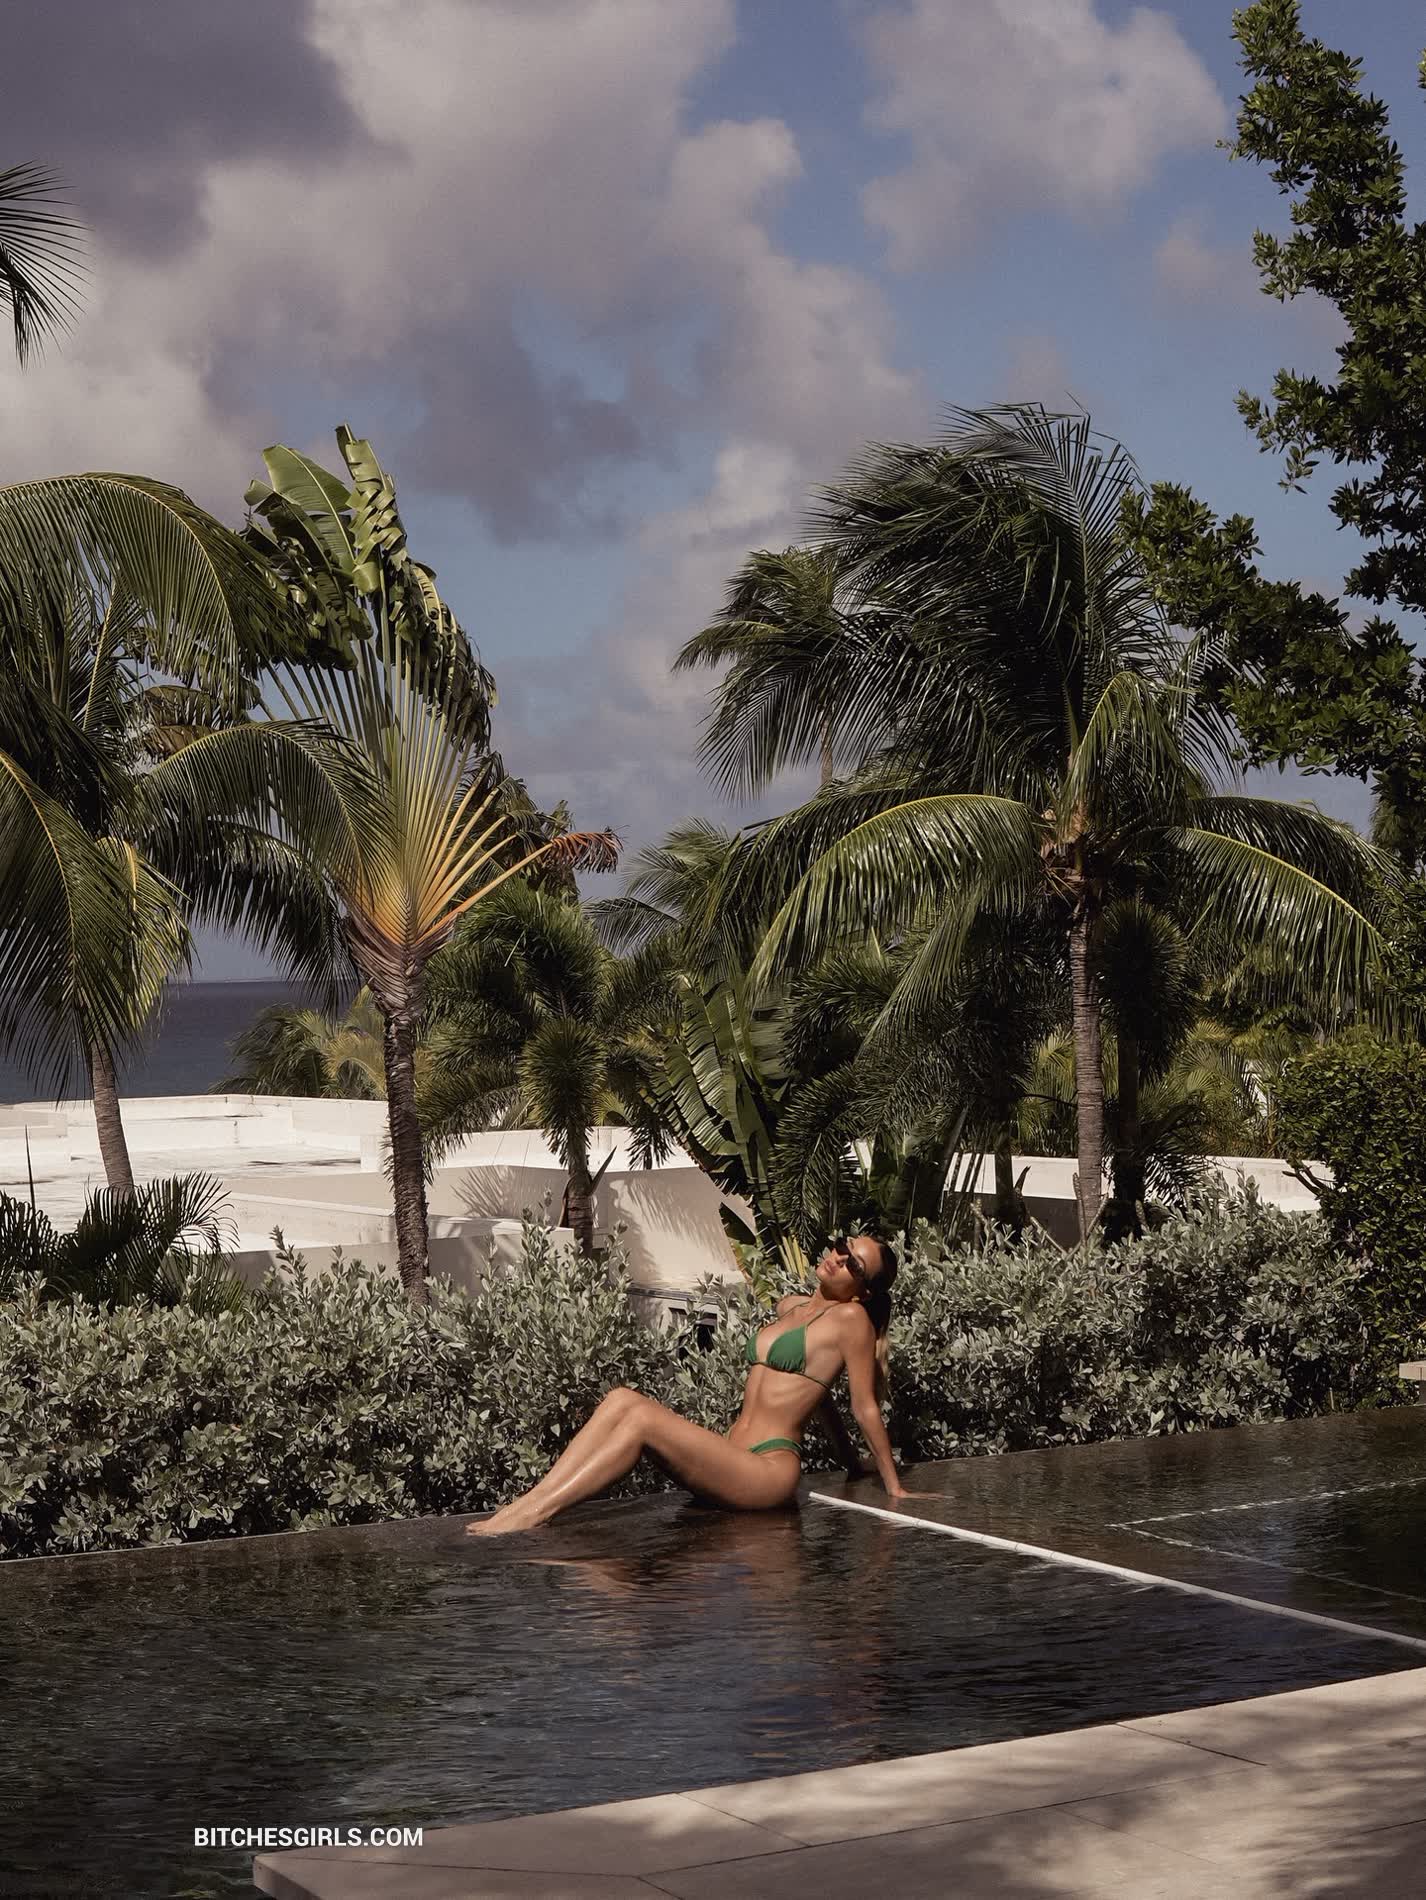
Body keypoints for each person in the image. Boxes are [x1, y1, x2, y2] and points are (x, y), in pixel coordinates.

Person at [468, 1232, 925, 1536]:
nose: (838, 1258)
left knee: (640, 1418)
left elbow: (863, 1406)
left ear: (864, 1291)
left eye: (853, 1265)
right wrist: (851, 1464)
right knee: (620, 1399)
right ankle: (525, 1505)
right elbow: (819, 1399)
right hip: (734, 1455)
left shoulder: (852, 1321)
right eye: (843, 1247)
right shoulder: (792, 1306)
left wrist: (893, 1487)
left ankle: (535, 1514)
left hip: (767, 1472)